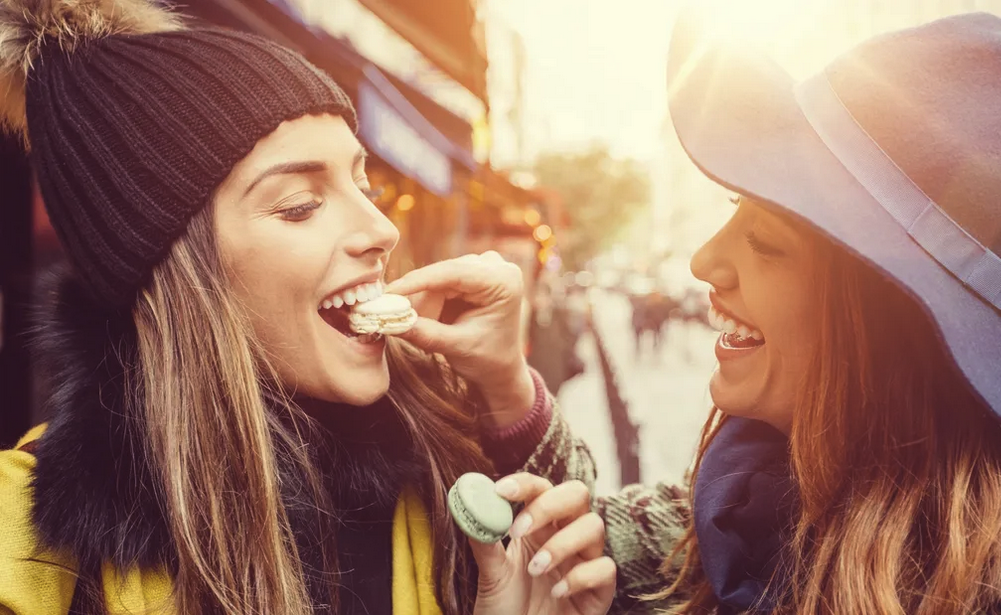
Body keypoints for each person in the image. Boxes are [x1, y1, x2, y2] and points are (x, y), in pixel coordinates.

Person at [0, 1, 612, 613]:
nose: (382, 230)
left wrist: (507, 389)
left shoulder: (450, 478)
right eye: (300, 205)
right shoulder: (25, 549)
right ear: (172, 275)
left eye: (365, 186)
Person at [593, 9, 1001, 615]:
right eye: (733, 206)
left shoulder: (996, 594)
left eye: (766, 241)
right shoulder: (768, 492)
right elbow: (607, 537)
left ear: (886, 326)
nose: (703, 261)